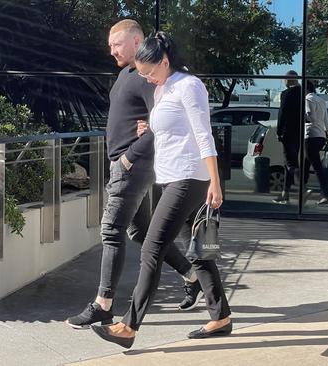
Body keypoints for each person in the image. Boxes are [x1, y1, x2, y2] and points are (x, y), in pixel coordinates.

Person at [91, 31, 232, 349]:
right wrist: (149, 126)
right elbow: (168, 127)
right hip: (171, 178)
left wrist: (215, 181)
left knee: (151, 249)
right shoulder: (164, 86)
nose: (147, 79)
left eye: (150, 72)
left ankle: (128, 326)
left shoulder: (189, 85)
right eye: (142, 74)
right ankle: (220, 315)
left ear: (165, 61)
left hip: (189, 179)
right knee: (199, 250)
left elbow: (203, 134)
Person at [65, 20, 201, 330]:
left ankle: (103, 304)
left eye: (117, 44)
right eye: (111, 45)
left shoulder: (144, 76)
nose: (111, 50)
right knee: (140, 232)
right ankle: (191, 275)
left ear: (136, 40)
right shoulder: (128, 73)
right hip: (127, 165)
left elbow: (166, 117)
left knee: (112, 230)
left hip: (132, 167)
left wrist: (130, 155)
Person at [303, 81, 328, 205]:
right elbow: (326, 120)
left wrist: (305, 120)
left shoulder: (307, 99)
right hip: (321, 136)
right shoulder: (321, 101)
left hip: (311, 135)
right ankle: (303, 190)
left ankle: (326, 195)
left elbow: (310, 115)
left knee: (316, 167)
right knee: (305, 163)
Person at [274, 70, 302, 204]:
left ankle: (303, 188)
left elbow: (282, 113)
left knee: (290, 163)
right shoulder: (302, 93)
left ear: (288, 80)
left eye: (284, 79)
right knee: (289, 163)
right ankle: (285, 193)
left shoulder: (286, 94)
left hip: (288, 132)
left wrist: (279, 131)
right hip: (299, 132)